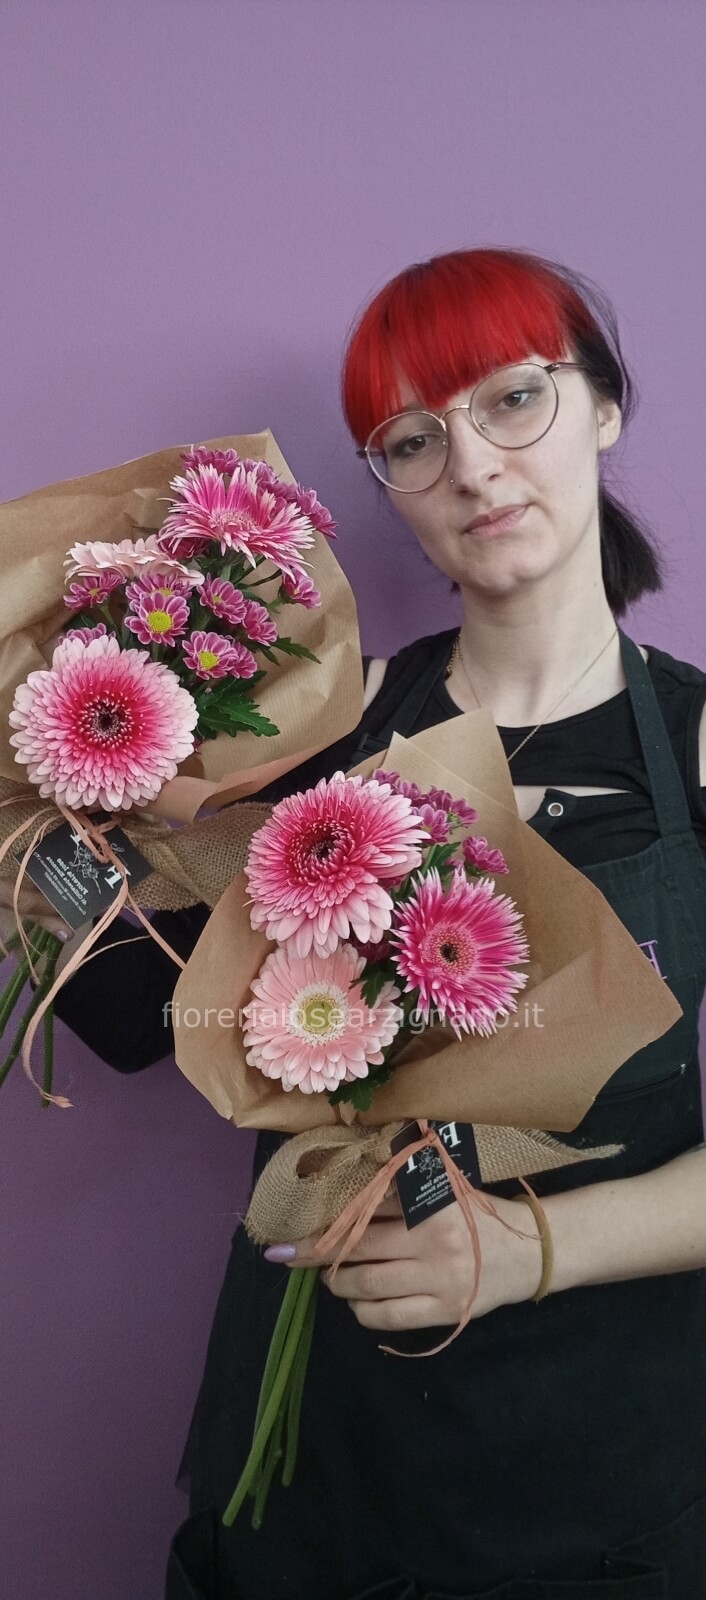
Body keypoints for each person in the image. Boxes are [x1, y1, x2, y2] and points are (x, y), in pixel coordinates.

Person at [6, 248, 706, 1599]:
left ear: (606, 407)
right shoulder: (322, 729)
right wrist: (33, 820)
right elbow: (149, 1019)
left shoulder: (695, 744)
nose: (473, 467)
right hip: (314, 1460)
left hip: (598, 1479)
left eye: (515, 398)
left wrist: (528, 1249)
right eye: (413, 439)